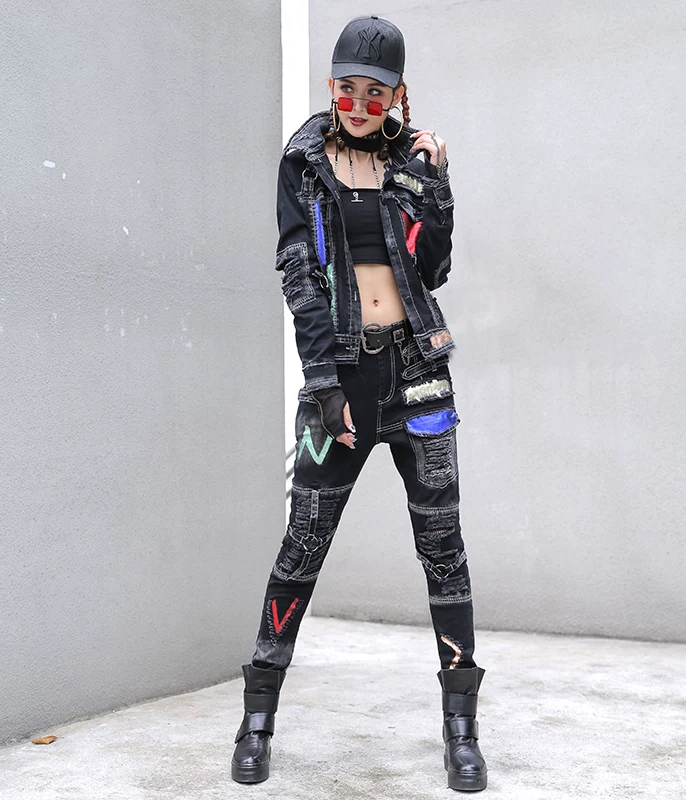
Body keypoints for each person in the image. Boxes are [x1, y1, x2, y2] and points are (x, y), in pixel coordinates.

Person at [230, 15, 487, 792]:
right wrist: (323, 383)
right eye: (348, 88)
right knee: (303, 544)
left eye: (376, 93)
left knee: (443, 547)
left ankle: (462, 729)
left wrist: (434, 185)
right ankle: (256, 719)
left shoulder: (411, 160)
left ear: (398, 96)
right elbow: (299, 275)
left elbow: (432, 270)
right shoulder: (304, 160)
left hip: (419, 374)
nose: (360, 103)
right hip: (340, 380)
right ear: (331, 86)